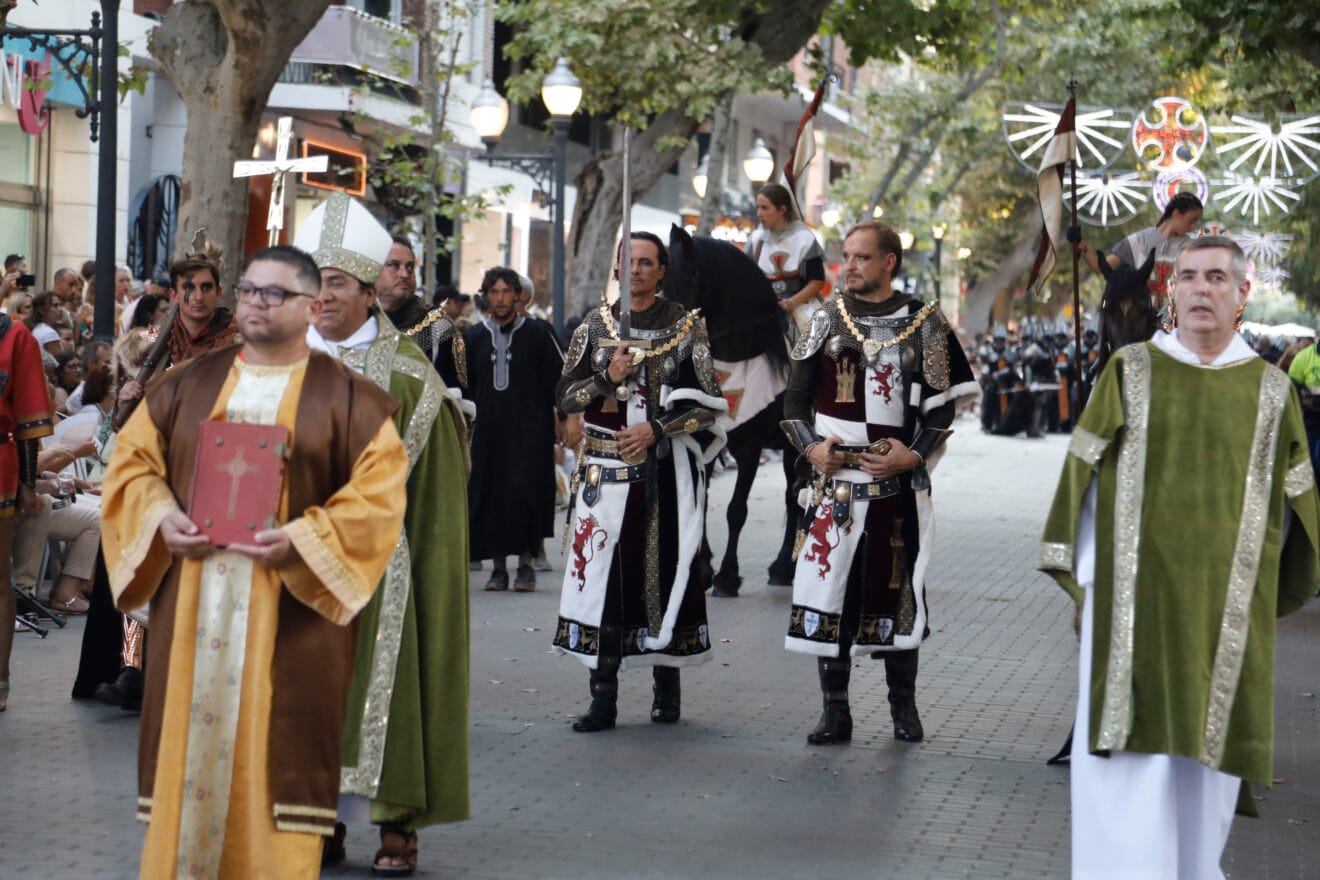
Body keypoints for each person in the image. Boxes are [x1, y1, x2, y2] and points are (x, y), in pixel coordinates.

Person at [100, 244, 408, 879]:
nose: (255, 304)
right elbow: (131, 467)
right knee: (188, 783)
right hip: (193, 610)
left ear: (311, 305)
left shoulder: (351, 399)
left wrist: (303, 539)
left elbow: (379, 497)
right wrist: (161, 518)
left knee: (276, 775)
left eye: (274, 294)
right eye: (248, 292)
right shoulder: (186, 384)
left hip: (288, 617)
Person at [1038, 235, 1320, 878]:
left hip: (1225, 615)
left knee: (1204, 777)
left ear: (1241, 294)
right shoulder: (1130, 371)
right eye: (1188, 276)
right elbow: (1082, 480)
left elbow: (1300, 500)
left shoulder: (1272, 393)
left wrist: (1277, 587)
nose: (1200, 288)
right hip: (1131, 609)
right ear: (1172, 290)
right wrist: (1090, 581)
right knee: (1125, 776)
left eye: (1217, 277)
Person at [296, 192, 471, 876]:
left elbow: (431, 502)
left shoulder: (410, 379)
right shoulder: (271, 364)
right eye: (311, 281)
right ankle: (313, 820)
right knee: (302, 696)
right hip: (292, 562)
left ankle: (396, 822)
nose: (320, 297)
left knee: (382, 694)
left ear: (370, 292)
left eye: (335, 282)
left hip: (381, 569)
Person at [779, 220, 977, 745]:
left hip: (893, 489)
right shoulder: (824, 318)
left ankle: (903, 710)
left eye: (862, 257)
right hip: (834, 487)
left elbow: (942, 410)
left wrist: (912, 455)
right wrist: (812, 448)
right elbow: (794, 404)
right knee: (829, 591)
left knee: (896, 593)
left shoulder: (924, 322)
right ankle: (835, 711)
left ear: (889, 261)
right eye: (847, 256)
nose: (850, 267)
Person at [554, 231, 727, 730]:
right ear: (616, 268)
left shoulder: (686, 327)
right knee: (604, 583)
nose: (636, 270)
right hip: (602, 476)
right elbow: (566, 398)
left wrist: (657, 429)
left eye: (647, 262)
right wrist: (606, 378)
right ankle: (602, 696)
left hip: (663, 477)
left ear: (662, 270)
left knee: (664, 574)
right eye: (628, 261)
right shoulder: (593, 326)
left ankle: (666, 689)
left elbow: (707, 407)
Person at [465, 267, 563, 591]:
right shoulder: (474, 338)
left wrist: (562, 419)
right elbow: (465, 389)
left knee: (525, 495)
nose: (501, 298)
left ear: (518, 295)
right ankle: (497, 570)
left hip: (530, 432)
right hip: (489, 433)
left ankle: (525, 565)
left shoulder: (537, 333)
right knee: (492, 496)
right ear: (486, 296)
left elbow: (559, 381)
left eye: (507, 292)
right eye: (494, 292)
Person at [113, 246, 239, 430]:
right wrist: (123, 401)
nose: (198, 297)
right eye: (189, 287)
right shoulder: (143, 343)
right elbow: (121, 426)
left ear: (218, 292)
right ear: (174, 295)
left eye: (206, 287)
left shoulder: (241, 346)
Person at [0, 311, 54, 711]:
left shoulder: (17, 337)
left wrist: (28, 484)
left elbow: (28, 418)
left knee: (0, 580)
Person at [1078, 191, 1203, 308]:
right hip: (1142, 323)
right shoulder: (1138, 242)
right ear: (1176, 214)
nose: (1193, 227)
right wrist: (1083, 248)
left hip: (1178, 325)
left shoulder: (1192, 247)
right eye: (1192, 220)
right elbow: (1101, 267)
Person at [747, 182, 827, 335]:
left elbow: (817, 281)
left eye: (765, 208)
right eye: (758, 207)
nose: (759, 213)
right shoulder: (756, 239)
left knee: (813, 341)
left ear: (782, 209)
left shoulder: (804, 238)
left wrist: (791, 302)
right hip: (764, 309)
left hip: (801, 307)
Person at [25, 291, 66, 357]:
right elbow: (61, 362)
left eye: (61, 305)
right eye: (55, 306)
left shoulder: (37, 328)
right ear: (42, 310)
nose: (61, 309)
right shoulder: (49, 333)